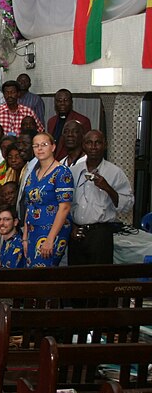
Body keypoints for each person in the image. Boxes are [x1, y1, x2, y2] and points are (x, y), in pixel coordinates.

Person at [68, 130, 134, 265]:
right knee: (75, 280)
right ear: (83, 145)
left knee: (100, 279)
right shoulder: (73, 171)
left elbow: (127, 205)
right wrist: (71, 227)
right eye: (89, 143)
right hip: (76, 233)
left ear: (105, 145)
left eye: (98, 143)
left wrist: (107, 187)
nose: (93, 147)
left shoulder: (115, 172)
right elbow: (65, 203)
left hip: (101, 234)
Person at [22, 132, 73, 267]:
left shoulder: (62, 172)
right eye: (36, 146)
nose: (40, 149)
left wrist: (50, 239)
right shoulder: (33, 173)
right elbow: (29, 205)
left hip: (52, 232)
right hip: (33, 230)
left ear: (53, 147)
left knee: (44, 273)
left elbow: (65, 207)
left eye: (44, 145)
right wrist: (25, 237)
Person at [48, 89, 92, 160]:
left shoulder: (82, 120)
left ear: (71, 102)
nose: (62, 103)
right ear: (55, 103)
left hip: (74, 162)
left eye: (65, 100)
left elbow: (86, 145)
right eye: (59, 101)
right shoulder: (51, 121)